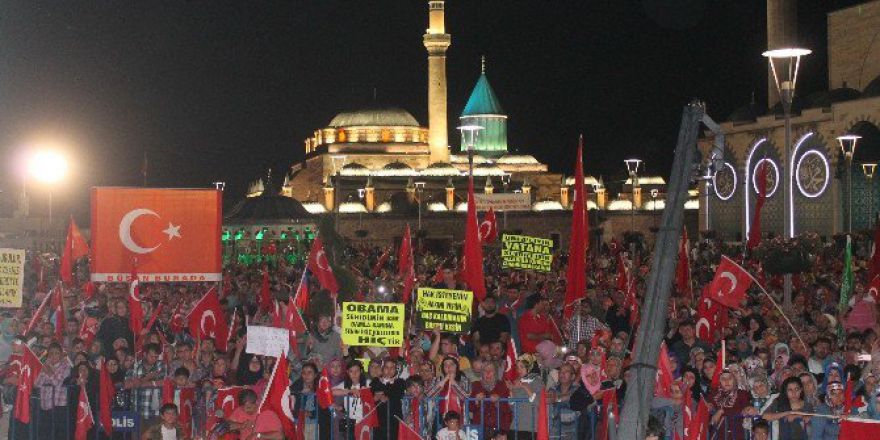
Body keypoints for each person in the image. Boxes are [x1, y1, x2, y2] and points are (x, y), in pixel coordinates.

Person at [34, 342, 71, 438]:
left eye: (56, 353)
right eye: (51, 353)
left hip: (59, 406)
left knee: (58, 434)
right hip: (45, 406)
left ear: (61, 354)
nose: (54, 356)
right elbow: (37, 384)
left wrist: (49, 373)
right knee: (45, 433)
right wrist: (44, 371)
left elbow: (58, 383)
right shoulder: (46, 365)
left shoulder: (65, 366)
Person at [125, 342, 166, 425]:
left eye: (156, 357)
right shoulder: (135, 366)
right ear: (144, 354)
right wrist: (148, 377)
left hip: (156, 412)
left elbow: (164, 382)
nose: (154, 359)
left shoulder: (161, 365)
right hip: (137, 411)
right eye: (151, 356)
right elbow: (127, 385)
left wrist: (144, 383)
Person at [507, 354, 544, 440]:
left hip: (531, 427)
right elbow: (513, 407)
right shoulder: (517, 382)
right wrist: (511, 389)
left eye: (522, 367)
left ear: (529, 367)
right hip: (516, 426)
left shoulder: (538, 382)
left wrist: (525, 387)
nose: (518, 370)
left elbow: (539, 403)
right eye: (517, 367)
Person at [470, 360, 512, 433]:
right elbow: (470, 408)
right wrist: (476, 400)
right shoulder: (475, 385)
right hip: (479, 429)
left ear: (495, 372)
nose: (488, 373)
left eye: (491, 370)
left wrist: (498, 402)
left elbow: (508, 410)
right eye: (485, 370)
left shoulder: (502, 385)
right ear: (481, 373)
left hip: (498, 429)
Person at [332, 359, 369, 440]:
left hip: (364, 421)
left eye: (357, 371)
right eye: (351, 371)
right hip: (350, 422)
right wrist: (350, 391)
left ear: (361, 371)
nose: (354, 374)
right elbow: (331, 392)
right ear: (348, 372)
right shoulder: (345, 384)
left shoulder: (368, 383)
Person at [372, 358, 406, 440]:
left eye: (392, 368)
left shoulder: (400, 382)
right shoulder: (376, 381)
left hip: (394, 418)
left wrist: (384, 395)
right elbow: (374, 394)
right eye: (386, 367)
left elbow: (396, 393)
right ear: (382, 369)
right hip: (379, 419)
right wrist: (380, 395)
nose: (389, 370)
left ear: (396, 370)